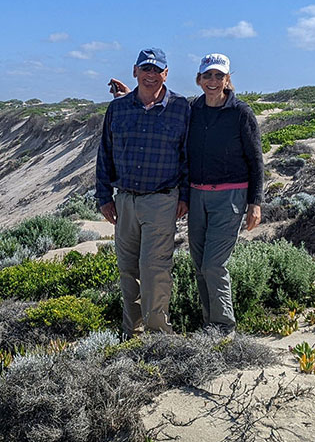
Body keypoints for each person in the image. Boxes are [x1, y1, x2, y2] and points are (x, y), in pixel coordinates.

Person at [108, 53, 262, 335]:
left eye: (219, 75)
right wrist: (132, 95)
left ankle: (223, 328)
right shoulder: (194, 109)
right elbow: (152, 112)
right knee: (200, 265)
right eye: (208, 76)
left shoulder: (240, 112)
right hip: (196, 196)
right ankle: (209, 325)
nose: (213, 81)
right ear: (199, 79)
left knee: (213, 264)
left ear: (228, 78)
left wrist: (255, 202)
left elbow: (256, 160)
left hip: (228, 197)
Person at [96, 48, 192, 338]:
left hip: (162, 200)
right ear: (135, 71)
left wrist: (185, 196)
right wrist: (103, 197)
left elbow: (188, 155)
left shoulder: (181, 108)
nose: (151, 75)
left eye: (157, 70)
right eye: (145, 69)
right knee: (127, 270)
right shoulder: (118, 108)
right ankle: (132, 332)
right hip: (124, 201)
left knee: (154, 270)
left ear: (166, 73)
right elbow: (105, 153)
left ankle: (159, 333)